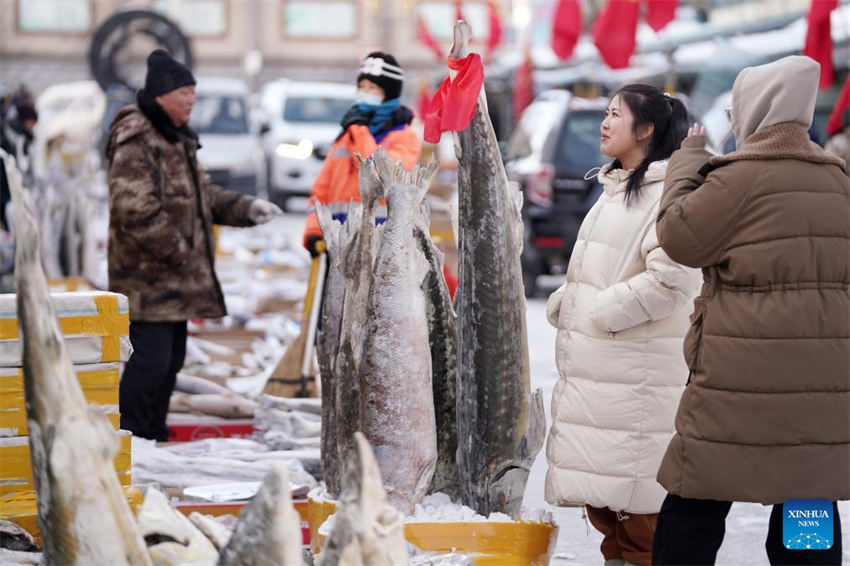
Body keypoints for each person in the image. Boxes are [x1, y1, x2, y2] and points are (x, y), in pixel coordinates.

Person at [652, 56, 849, 565]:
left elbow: (678, 236)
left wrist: (688, 160)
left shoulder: (736, 181)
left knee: (694, 504)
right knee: (809, 506)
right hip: (822, 391)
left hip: (734, 385)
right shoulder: (840, 182)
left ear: (753, 111)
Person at [544, 84, 701, 566]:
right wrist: (567, 303)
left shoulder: (666, 194)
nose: (604, 123)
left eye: (616, 114)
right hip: (607, 380)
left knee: (641, 521)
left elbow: (673, 280)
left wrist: (600, 312)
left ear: (647, 129)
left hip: (636, 382)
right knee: (610, 515)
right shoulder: (617, 187)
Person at [106, 49, 282, 441]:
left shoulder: (178, 139)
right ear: (161, 97)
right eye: (185, 93)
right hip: (147, 280)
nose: (191, 100)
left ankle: (153, 431)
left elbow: (203, 195)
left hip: (176, 281)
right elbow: (134, 208)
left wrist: (246, 208)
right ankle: (131, 436)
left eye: (193, 93)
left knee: (171, 360)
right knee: (150, 362)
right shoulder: (138, 137)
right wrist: (182, 253)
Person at [302, 51, 420, 254]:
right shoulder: (347, 135)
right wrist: (314, 229)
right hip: (338, 243)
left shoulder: (403, 137)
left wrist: (360, 131)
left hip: (381, 247)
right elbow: (321, 190)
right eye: (361, 87)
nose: (364, 92)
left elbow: (380, 176)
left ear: (388, 95)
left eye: (372, 88)